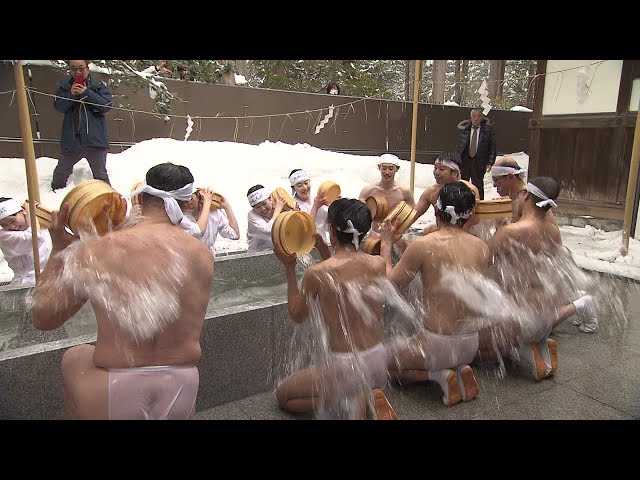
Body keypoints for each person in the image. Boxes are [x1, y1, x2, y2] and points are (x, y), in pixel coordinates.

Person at [30, 162, 214, 419]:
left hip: (116, 390)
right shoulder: (202, 255)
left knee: (75, 356)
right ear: (188, 204)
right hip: (182, 386)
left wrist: (60, 249)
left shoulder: (100, 249)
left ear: (139, 197)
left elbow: (43, 318)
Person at [273, 198, 398, 419]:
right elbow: (344, 282)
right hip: (378, 363)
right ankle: (368, 394)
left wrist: (289, 269)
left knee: (284, 396)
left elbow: (298, 315)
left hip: (345, 368)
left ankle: (352, 400)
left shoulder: (317, 272)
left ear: (331, 230)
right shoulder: (377, 264)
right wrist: (325, 251)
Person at [379, 181, 488, 406]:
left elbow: (391, 286)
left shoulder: (425, 244)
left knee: (381, 363)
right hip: (470, 343)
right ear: (469, 215)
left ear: (436, 210)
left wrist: (386, 245)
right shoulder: (482, 247)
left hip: (438, 344)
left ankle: (439, 376)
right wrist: (402, 245)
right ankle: (459, 368)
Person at [486, 176, 596, 380]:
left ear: (526, 195)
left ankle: (526, 352)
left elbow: (483, 260)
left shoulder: (511, 231)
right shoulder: (553, 232)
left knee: (482, 344)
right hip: (546, 316)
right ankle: (541, 343)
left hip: (521, 319)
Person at [489, 158, 597, 333]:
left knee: (525, 322)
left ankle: (578, 304)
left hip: (542, 263)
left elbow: (534, 239)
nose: (495, 185)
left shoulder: (526, 202)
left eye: (497, 180)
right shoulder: (528, 200)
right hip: (533, 262)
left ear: (510, 177)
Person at [51, 60, 113, 191]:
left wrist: (87, 93)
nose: (78, 72)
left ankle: (109, 202)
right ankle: (56, 199)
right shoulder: (64, 87)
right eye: (74, 69)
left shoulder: (98, 86)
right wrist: (71, 95)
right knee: (60, 175)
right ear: (69, 69)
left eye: (81, 68)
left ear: (87, 67)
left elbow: (106, 106)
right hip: (72, 140)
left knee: (101, 176)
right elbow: (58, 106)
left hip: (95, 140)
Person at [358, 153, 415, 235]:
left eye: (391, 169)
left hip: (396, 234)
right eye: (384, 168)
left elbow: (413, 213)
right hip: (375, 234)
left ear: (397, 169)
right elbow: (359, 213)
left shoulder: (404, 191)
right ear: (379, 168)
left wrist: (402, 227)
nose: (387, 172)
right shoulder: (368, 190)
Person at [408, 151, 463, 235]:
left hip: (464, 231)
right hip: (441, 230)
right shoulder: (431, 192)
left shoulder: (469, 191)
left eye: (441, 169)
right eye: (435, 168)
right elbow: (413, 215)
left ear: (455, 173)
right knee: (428, 231)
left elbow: (474, 220)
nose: (436, 172)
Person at [0, 197, 52, 286]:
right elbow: (34, 238)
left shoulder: (42, 226)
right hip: (26, 284)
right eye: (4, 225)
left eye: (12, 221)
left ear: (22, 212)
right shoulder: (4, 236)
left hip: (50, 279)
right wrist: (31, 215)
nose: (12, 227)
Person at [179, 187, 240, 257]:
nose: (187, 204)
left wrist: (227, 206)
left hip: (209, 257)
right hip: (187, 258)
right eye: (183, 201)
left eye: (191, 199)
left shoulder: (214, 213)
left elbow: (235, 235)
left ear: (198, 196)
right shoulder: (180, 217)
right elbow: (197, 231)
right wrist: (207, 202)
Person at [454, 107, 496, 200]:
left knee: (478, 185)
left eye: (478, 116)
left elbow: (492, 147)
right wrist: (456, 160)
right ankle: (461, 202)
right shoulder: (465, 129)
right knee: (462, 183)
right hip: (465, 160)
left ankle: (480, 204)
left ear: (482, 118)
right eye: (474, 116)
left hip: (479, 160)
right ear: (471, 117)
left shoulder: (487, 131)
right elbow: (459, 146)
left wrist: (490, 163)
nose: (476, 119)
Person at [288, 168, 331, 245]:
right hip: (307, 247)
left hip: (325, 242)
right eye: (299, 185)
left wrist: (334, 206)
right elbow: (305, 230)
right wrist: (316, 206)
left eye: (306, 183)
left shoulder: (318, 197)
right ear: (293, 188)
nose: (305, 187)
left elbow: (329, 223)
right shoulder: (292, 206)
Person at [246, 184, 286, 253]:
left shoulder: (279, 208)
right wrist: (277, 210)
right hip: (258, 253)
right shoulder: (252, 215)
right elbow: (268, 229)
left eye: (264, 203)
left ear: (270, 198)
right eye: (257, 207)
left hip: (280, 250)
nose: (263, 209)